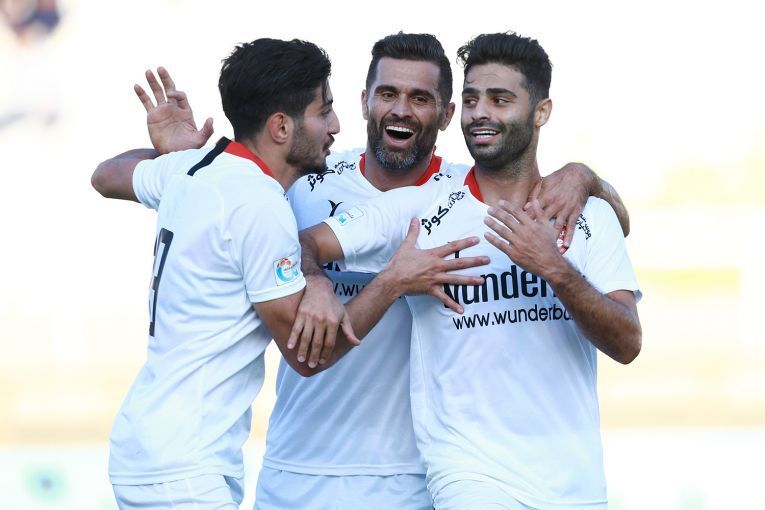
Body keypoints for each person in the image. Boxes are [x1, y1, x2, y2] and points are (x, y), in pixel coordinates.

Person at [91, 37, 485, 509]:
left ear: (445, 113)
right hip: (203, 468)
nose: (334, 125)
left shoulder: (199, 169)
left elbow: (105, 176)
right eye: (324, 112)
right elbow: (307, 356)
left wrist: (174, 155)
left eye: (419, 98)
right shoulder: (265, 200)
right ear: (281, 126)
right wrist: (384, 280)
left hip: (157, 447)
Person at [300, 32, 642, 509]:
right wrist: (317, 282)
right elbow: (307, 242)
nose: (481, 113)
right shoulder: (419, 207)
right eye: (472, 100)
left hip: (575, 488)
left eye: (500, 100)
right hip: (469, 480)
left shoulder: (587, 214)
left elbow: (628, 343)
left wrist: (556, 269)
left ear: (541, 111)